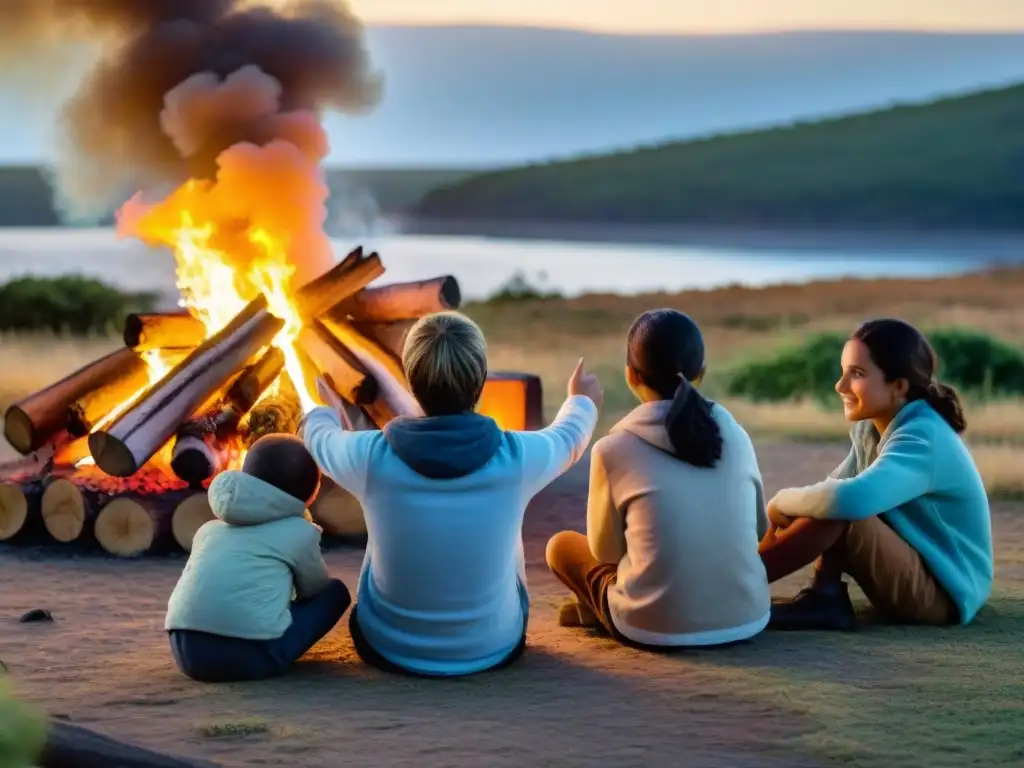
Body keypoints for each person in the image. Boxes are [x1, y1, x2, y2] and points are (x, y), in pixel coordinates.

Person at [302, 311, 602, 677]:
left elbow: (317, 438)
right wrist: (580, 400)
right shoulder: (516, 457)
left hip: (388, 648)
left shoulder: (370, 457)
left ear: (411, 381)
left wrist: (326, 412)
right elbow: (570, 437)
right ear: (480, 381)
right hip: (494, 647)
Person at [547, 309, 771, 648]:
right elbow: (759, 531)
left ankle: (598, 610)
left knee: (562, 546)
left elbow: (605, 553)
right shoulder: (735, 434)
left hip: (651, 626)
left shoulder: (613, 448)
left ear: (631, 375)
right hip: (747, 618)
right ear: (702, 372)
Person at [761, 318, 993, 631]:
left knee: (842, 508)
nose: (840, 386)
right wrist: (788, 510)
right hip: (918, 569)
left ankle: (730, 588)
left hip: (944, 594)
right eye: (843, 372)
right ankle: (821, 595)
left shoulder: (923, 436)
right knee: (827, 503)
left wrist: (781, 501)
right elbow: (832, 490)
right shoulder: (871, 429)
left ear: (898, 386)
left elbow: (849, 499)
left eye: (856, 374)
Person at [165, 434, 351, 682]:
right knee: (335, 593)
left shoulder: (209, 530)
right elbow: (314, 589)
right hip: (248, 657)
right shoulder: (299, 533)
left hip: (186, 651)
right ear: (311, 493)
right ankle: (273, 652)